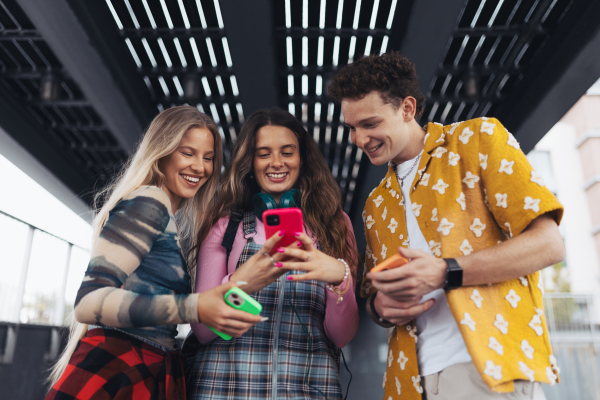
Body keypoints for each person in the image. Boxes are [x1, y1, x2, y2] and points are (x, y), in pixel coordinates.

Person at [328, 52, 565, 400]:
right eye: (352, 128)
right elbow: (374, 300)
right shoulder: (375, 204)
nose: (359, 139)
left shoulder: (479, 139)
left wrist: (445, 272)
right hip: (408, 382)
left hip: (486, 367)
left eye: (370, 124)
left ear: (407, 108)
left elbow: (549, 244)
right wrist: (380, 308)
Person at [45, 106, 263, 400]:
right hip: (123, 365)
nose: (200, 167)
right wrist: (195, 307)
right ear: (162, 151)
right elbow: (88, 302)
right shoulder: (151, 201)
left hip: (148, 365)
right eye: (188, 153)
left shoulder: (168, 215)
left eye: (208, 157)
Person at [187, 108, 360, 399]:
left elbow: (342, 336)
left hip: (307, 391)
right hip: (224, 390)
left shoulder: (335, 224)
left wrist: (339, 278)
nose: (276, 162)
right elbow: (204, 332)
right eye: (263, 153)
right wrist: (241, 282)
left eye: (287, 152)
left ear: (302, 159)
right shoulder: (226, 226)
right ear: (250, 162)